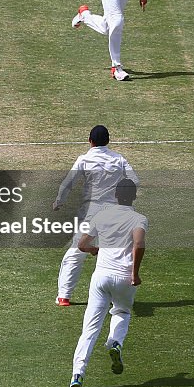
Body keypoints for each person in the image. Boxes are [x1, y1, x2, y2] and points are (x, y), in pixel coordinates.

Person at [69, 179, 148, 387]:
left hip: (101, 276)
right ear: (133, 196)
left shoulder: (102, 215)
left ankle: (77, 375)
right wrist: (135, 274)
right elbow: (139, 244)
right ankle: (115, 342)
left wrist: (95, 249)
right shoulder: (138, 219)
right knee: (121, 311)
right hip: (123, 278)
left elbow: (82, 245)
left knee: (89, 329)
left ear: (115, 195)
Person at [52, 125, 138, 305]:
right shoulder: (119, 159)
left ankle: (64, 296)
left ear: (90, 141)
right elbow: (135, 180)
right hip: (115, 215)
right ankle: (118, 297)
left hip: (90, 214)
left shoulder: (84, 159)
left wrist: (59, 202)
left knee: (75, 253)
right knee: (115, 253)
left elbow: (67, 183)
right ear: (108, 141)